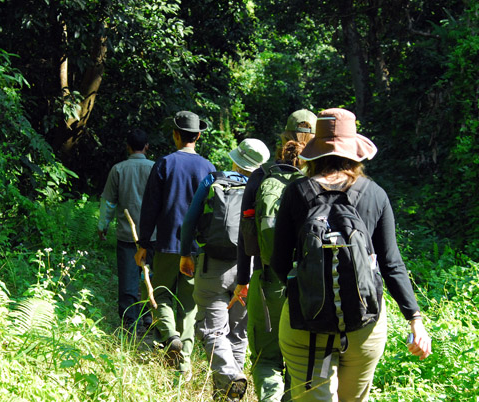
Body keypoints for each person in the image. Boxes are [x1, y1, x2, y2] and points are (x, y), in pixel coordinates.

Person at [270, 108, 432, 401]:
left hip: (306, 324)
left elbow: (279, 261)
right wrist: (414, 318)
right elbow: (391, 264)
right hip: (364, 324)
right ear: (355, 151)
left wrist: (309, 289)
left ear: (315, 150)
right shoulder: (375, 194)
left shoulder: (295, 192)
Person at [231, 109, 317, 402]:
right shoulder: (319, 180)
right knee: (298, 358)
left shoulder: (259, 178)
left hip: (267, 280)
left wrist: (242, 280)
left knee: (266, 358)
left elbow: (246, 237)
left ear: (283, 138)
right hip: (307, 285)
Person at [180, 138, 271, 402]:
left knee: (212, 330)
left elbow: (189, 221)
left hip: (212, 267)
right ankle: (231, 392)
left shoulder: (213, 180)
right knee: (238, 332)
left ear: (236, 158)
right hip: (249, 269)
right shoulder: (264, 187)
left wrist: (186, 254)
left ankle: (230, 379)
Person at [134, 110, 215, 378]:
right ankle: (185, 364)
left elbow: (150, 208)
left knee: (160, 293)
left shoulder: (164, 164)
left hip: (167, 244)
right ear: (199, 136)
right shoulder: (209, 168)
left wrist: (143, 243)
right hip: (196, 248)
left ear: (175, 135)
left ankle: (170, 336)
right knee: (190, 305)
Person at [97, 128, 155, 332]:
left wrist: (102, 226)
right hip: (153, 236)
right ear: (147, 147)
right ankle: (151, 316)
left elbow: (109, 203)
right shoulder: (156, 168)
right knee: (152, 276)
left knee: (128, 278)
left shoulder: (118, 169)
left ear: (128, 147)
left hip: (127, 235)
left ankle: (130, 322)